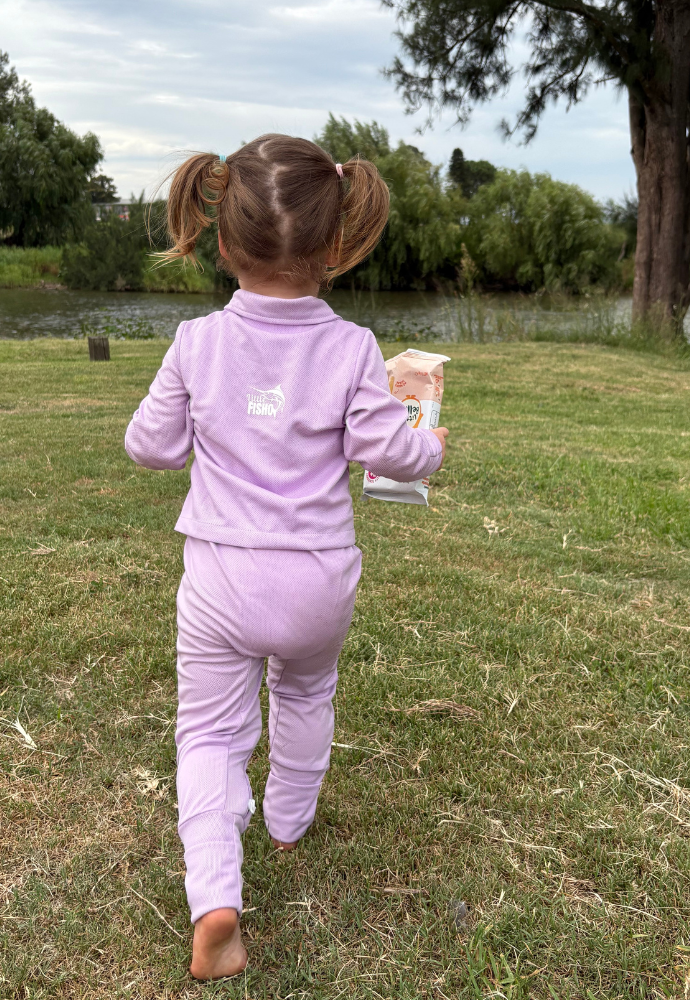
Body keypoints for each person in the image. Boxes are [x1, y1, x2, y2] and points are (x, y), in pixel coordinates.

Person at [124, 134, 449, 980]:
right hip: (317, 580)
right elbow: (393, 455)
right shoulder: (352, 349)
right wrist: (433, 443)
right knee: (306, 689)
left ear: (222, 241)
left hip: (222, 579)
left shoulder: (195, 343)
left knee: (209, 734)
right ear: (336, 246)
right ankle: (289, 820)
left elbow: (150, 448)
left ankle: (216, 899)